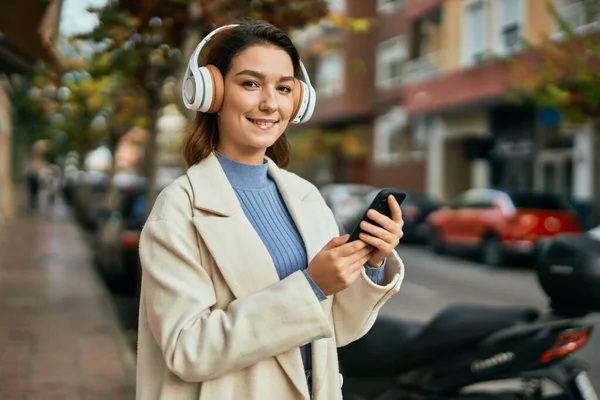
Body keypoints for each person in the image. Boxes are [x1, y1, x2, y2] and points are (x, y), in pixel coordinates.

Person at [136, 20, 406, 400]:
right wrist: (311, 286)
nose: (269, 103)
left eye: (283, 88)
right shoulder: (179, 207)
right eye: (250, 84)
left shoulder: (307, 198)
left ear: (298, 100)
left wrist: (370, 266)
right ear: (211, 92)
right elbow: (188, 350)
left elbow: (338, 328)